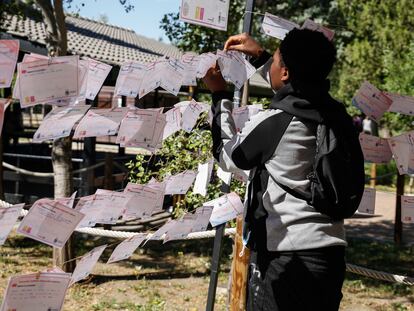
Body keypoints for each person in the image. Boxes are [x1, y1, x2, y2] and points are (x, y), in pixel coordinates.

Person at [203, 29, 350, 311]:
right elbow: (298, 91)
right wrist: (261, 56)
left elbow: (226, 155)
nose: (271, 64)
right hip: (329, 257)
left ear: (285, 72)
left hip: (288, 259)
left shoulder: (276, 122)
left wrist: (219, 95)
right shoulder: (335, 115)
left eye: (276, 60)